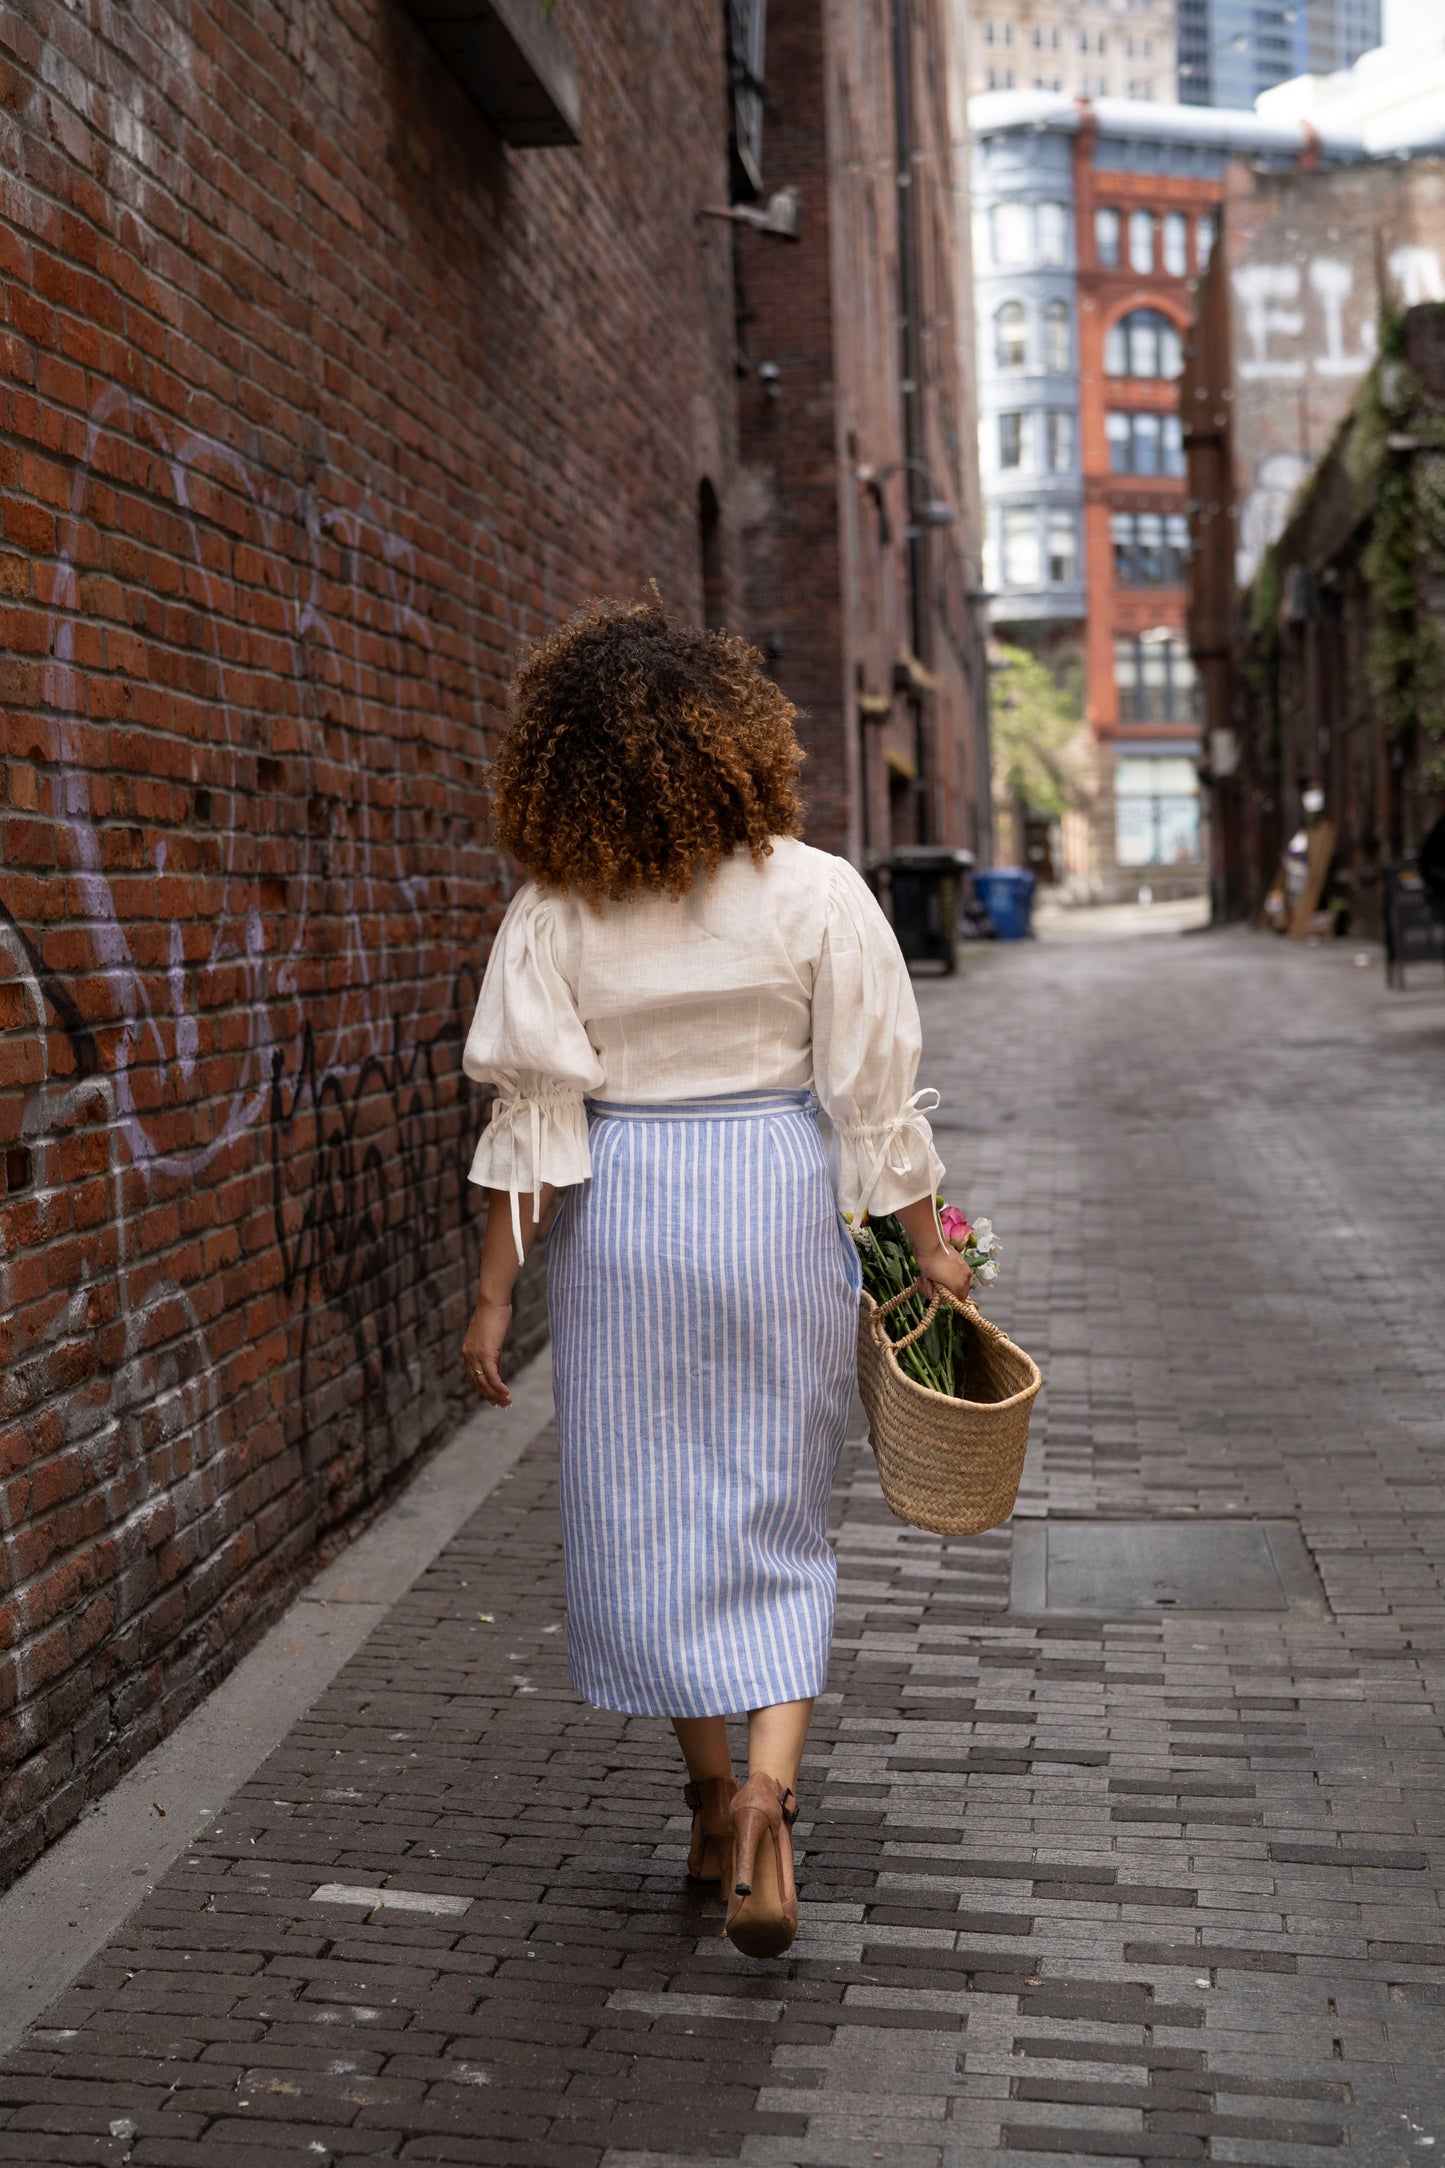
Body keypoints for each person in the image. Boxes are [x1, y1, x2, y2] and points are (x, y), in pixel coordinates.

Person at [459, 596, 969, 1960]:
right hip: (772, 1204)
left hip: (626, 1210)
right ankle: (767, 1797)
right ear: (735, 743)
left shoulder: (553, 911)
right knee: (773, 1506)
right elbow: (871, 1106)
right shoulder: (815, 890)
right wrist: (930, 1255)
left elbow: (535, 1130)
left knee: (643, 1509)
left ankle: (699, 1798)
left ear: (562, 760)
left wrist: (495, 1299)